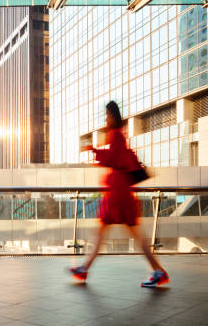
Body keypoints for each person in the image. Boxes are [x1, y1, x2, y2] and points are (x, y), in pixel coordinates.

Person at [70, 101, 168, 288]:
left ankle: (158, 270)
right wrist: (98, 154)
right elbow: (118, 159)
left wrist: (93, 150)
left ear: (113, 116)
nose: (105, 119)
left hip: (118, 193)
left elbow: (114, 158)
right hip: (119, 190)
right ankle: (85, 268)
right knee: (119, 233)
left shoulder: (115, 134)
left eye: (106, 115)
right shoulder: (118, 135)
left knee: (109, 232)